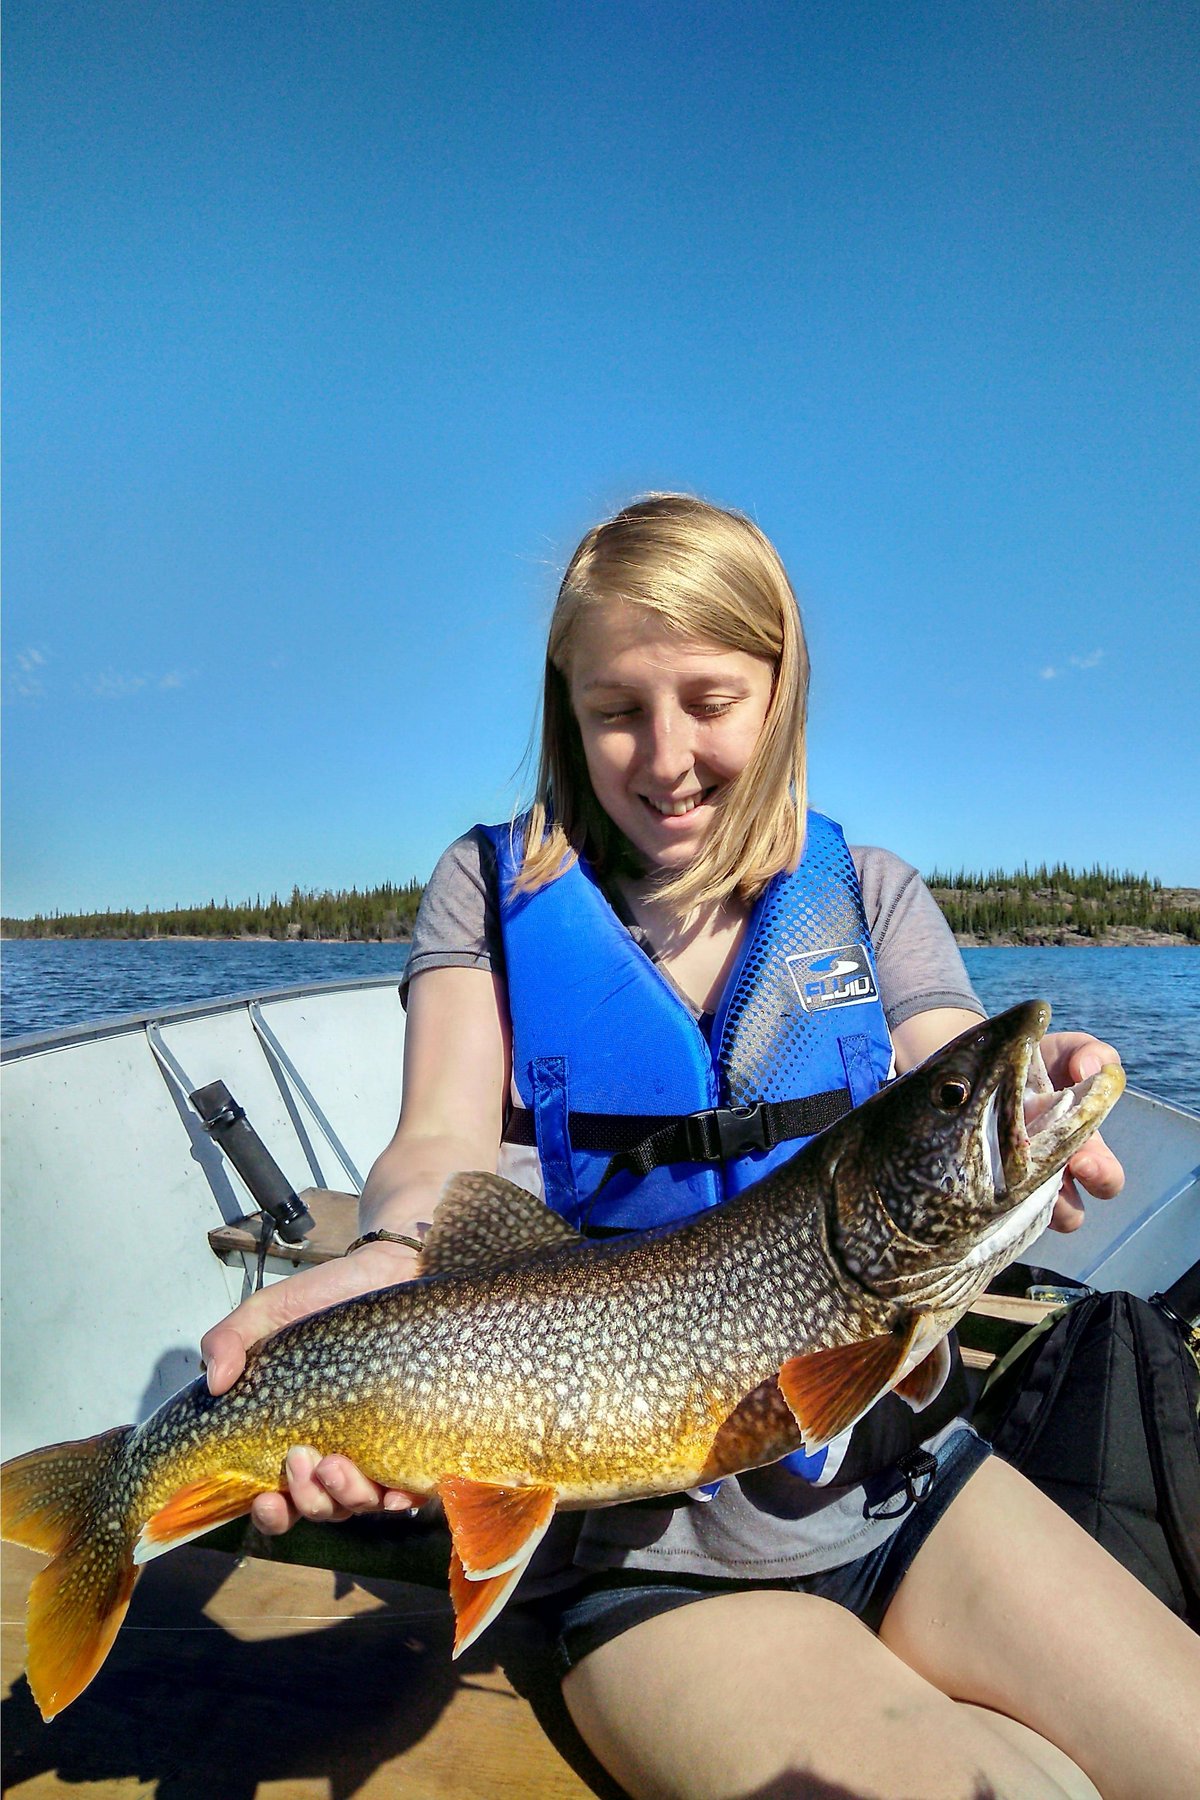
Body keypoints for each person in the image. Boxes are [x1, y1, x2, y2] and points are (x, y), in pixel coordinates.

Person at [202, 496, 1199, 1800]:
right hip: (651, 1563)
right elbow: (438, 1135)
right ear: (566, 710)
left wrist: (1044, 1097)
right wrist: (394, 1247)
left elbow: (943, 1069)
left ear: (780, 694)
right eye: (617, 709)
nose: (666, 754)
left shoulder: (872, 893)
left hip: (908, 1486)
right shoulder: (488, 890)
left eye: (710, 701)